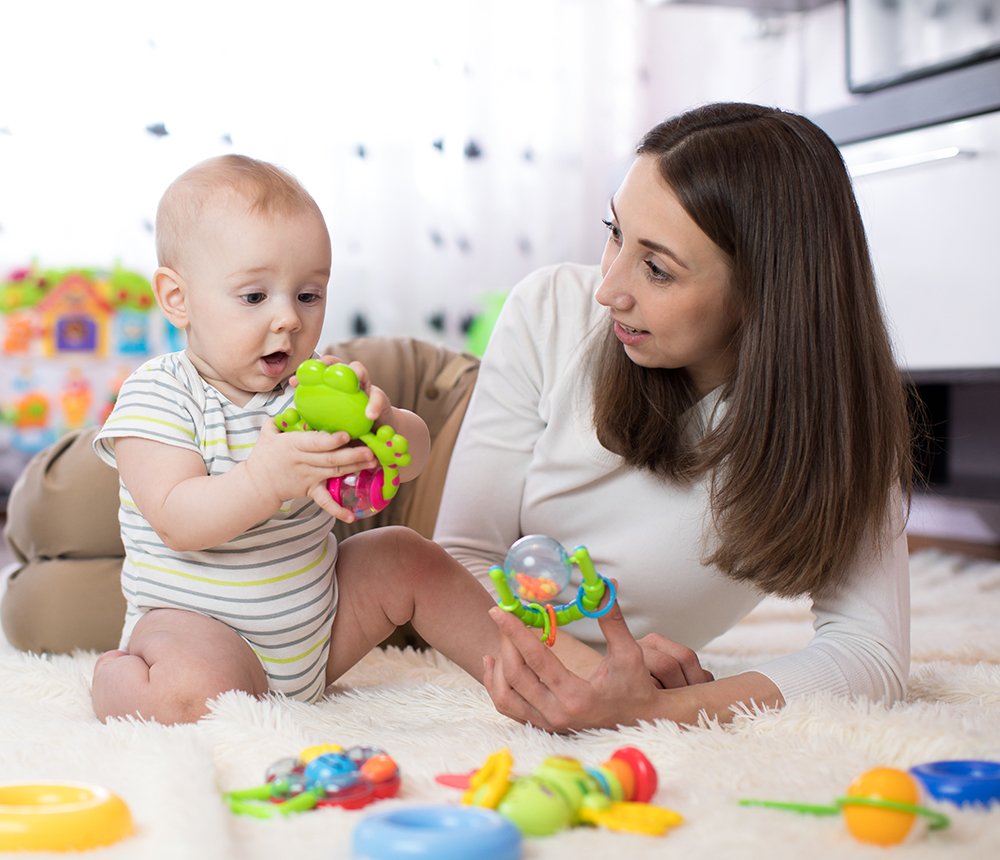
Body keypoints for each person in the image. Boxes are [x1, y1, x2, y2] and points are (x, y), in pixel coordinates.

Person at [433, 102, 913, 733]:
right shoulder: (552, 309)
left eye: (657, 269)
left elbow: (871, 653)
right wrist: (591, 675)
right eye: (614, 232)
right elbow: (457, 559)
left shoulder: (834, 422)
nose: (608, 288)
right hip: (413, 434)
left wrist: (664, 710)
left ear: (766, 291)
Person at [87, 154, 501, 724]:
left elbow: (415, 459)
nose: (288, 319)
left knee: (405, 554)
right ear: (177, 298)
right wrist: (264, 479)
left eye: (308, 295)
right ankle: (118, 677)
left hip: (320, 630)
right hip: (204, 631)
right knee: (186, 695)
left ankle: (528, 672)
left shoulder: (313, 388)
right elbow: (176, 520)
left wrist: (383, 429)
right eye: (255, 297)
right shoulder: (160, 394)